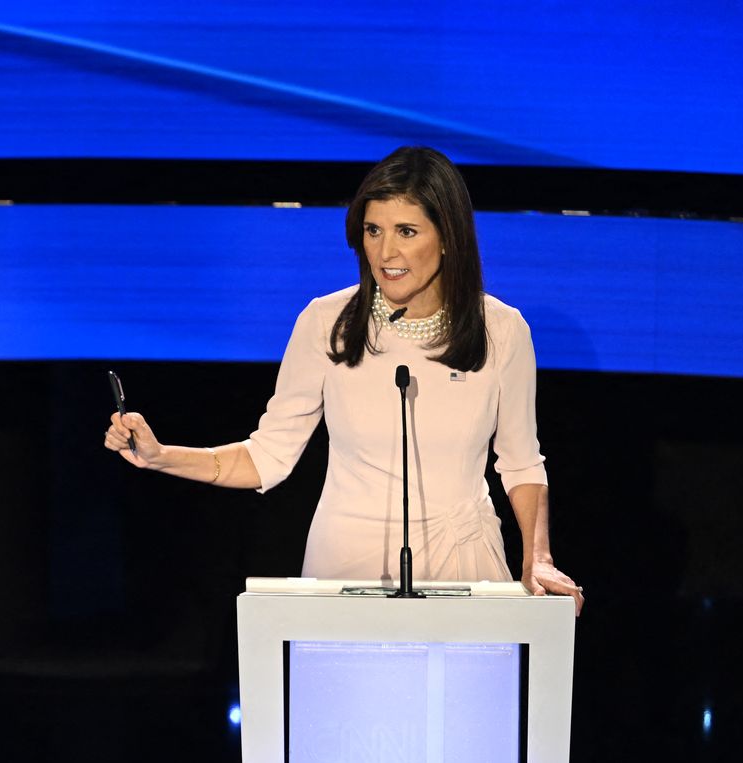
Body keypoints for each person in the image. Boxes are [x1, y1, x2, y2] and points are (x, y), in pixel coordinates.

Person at [103, 146, 582, 611]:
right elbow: (267, 457)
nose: (386, 252)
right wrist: (161, 457)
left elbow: (521, 463)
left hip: (464, 566)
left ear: (447, 236)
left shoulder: (501, 330)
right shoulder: (326, 322)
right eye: (373, 230)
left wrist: (537, 557)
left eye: (406, 231)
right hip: (348, 568)